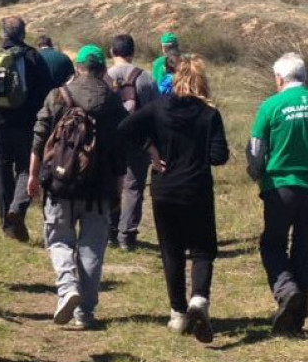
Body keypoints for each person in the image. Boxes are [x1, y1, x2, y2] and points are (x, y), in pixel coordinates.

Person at [118, 55, 229, 343]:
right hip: (197, 189)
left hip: (165, 189)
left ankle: (178, 313)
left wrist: (150, 149)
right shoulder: (209, 114)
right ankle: (199, 300)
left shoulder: (158, 108)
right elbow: (219, 156)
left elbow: (124, 128)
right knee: (203, 249)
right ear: (202, 82)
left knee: (172, 251)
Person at [247, 52, 308, 335]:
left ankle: (287, 291)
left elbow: (256, 149)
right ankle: (296, 318)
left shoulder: (271, 106)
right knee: (306, 251)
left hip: (280, 189)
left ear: (279, 79)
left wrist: (257, 175)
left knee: (273, 244)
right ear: (305, 77)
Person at [28, 44, 128, 329]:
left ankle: (67, 287)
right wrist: (118, 191)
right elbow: (120, 155)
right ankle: (85, 313)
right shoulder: (112, 102)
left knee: (59, 239)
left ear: (78, 68)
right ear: (102, 69)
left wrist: (34, 176)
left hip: (60, 181)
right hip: (99, 187)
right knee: (92, 246)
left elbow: (38, 138)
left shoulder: (59, 95)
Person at [0, 16, 53, 242]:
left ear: (2, 34)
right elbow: (48, 93)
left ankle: (7, 222)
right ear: (24, 34)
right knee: (26, 167)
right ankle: (17, 209)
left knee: (0, 171)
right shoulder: (33, 57)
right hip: (26, 124)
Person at [107, 34, 159, 251]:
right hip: (140, 141)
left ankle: (110, 230)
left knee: (111, 184)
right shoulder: (146, 79)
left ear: (112, 52)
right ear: (133, 52)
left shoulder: (105, 76)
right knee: (134, 186)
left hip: (111, 141)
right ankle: (127, 235)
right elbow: (156, 112)